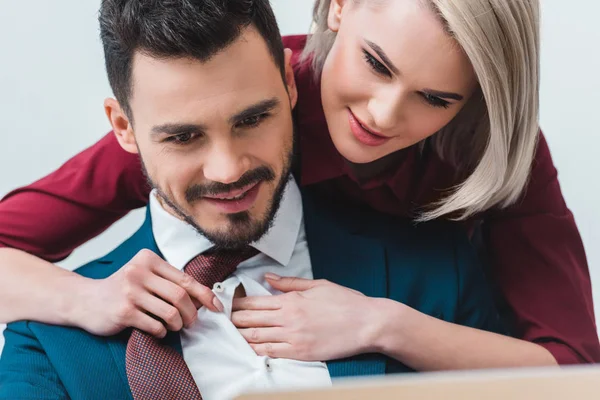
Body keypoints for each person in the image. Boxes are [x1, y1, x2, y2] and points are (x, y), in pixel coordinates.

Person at [0, 0, 598, 368]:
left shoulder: (493, 149)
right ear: (339, 6)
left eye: (436, 98)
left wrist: (382, 325)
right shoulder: (222, 98)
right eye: (376, 63)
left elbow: (571, 369)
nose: (384, 116)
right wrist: (89, 296)